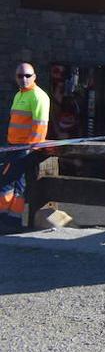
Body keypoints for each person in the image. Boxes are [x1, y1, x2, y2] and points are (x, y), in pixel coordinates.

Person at [0, 63, 49, 231]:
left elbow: (40, 125)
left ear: (34, 77)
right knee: (17, 185)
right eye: (20, 76)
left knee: (5, 182)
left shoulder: (38, 96)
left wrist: (30, 149)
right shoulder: (19, 95)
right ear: (16, 78)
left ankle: (4, 219)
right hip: (14, 147)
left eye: (28, 75)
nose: (24, 79)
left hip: (24, 149)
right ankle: (13, 221)